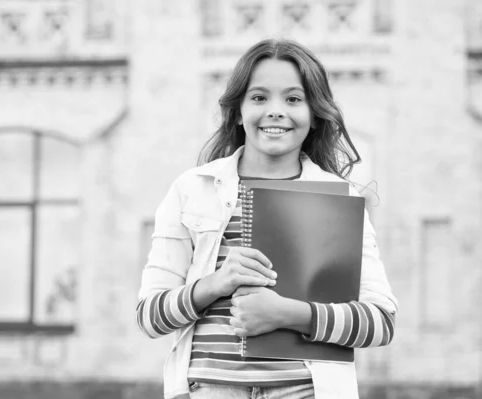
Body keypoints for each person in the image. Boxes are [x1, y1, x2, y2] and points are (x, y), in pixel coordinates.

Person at [136, 39, 398, 399]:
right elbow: (149, 317)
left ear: (314, 113)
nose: (276, 111)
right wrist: (215, 284)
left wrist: (288, 314)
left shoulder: (340, 198)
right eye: (259, 98)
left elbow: (380, 322)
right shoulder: (191, 190)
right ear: (239, 111)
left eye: (293, 99)